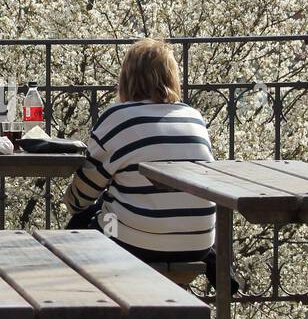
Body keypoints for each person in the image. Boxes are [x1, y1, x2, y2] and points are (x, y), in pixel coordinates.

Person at [64, 38, 226, 284]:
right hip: (199, 242)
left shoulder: (119, 118)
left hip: (133, 241)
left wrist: (75, 204)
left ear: (126, 78)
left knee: (85, 224)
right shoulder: (193, 117)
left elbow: (82, 195)